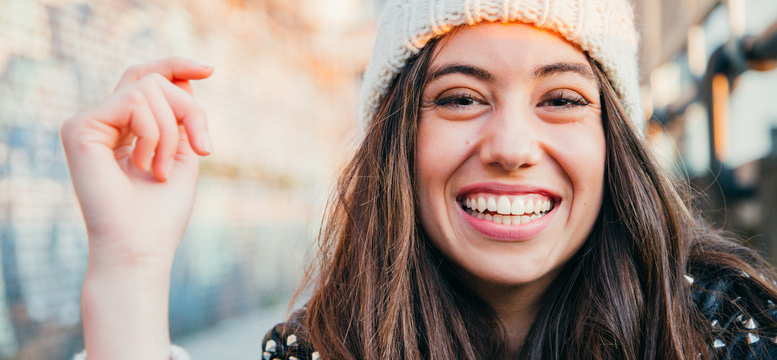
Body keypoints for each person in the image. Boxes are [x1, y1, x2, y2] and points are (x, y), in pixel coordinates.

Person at [62, 0, 777, 359]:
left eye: (561, 99)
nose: (510, 147)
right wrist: (130, 268)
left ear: (613, 142)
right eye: (461, 97)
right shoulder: (323, 349)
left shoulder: (729, 331)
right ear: (397, 141)